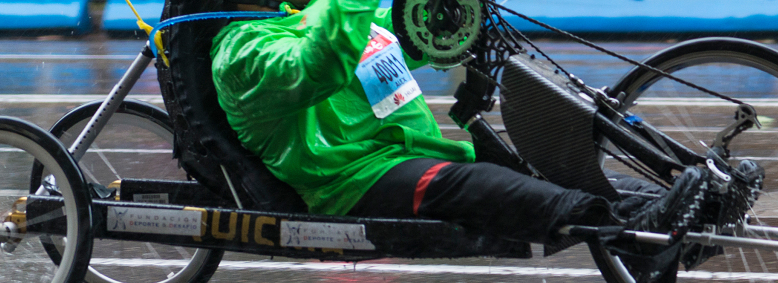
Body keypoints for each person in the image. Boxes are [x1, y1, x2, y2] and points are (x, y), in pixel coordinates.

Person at [208, 0, 711, 247]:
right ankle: (634, 239)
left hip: (411, 153)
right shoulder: (241, 54)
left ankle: (682, 207)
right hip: (351, 179)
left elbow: (410, 37)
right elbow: (320, 63)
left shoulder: (304, 15)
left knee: (546, 167)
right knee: (480, 186)